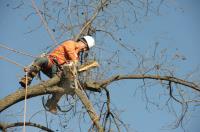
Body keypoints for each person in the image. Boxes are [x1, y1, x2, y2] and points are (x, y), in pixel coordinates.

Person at [19, 35, 95, 88]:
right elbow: (70, 51)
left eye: (86, 49)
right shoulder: (71, 43)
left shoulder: (76, 57)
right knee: (42, 60)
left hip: (56, 70)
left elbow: (73, 66)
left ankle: (52, 102)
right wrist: (75, 61)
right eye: (85, 48)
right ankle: (27, 79)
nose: (84, 50)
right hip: (50, 62)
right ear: (82, 42)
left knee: (63, 84)